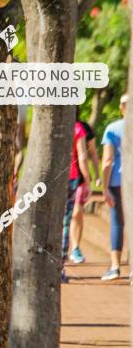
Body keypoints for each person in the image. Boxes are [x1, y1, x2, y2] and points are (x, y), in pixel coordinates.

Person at [69, 111, 101, 264]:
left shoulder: (84, 128)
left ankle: (75, 247)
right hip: (63, 178)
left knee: (77, 213)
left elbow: (92, 153)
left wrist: (96, 175)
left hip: (78, 179)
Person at [101, 93, 127, 281]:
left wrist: (104, 186)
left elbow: (108, 161)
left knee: (118, 222)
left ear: (121, 108)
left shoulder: (113, 129)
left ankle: (116, 267)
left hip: (118, 181)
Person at [62, 118, 90, 281]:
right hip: (71, 177)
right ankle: (60, 267)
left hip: (48, 179)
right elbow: (82, 156)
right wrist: (87, 181)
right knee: (65, 222)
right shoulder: (77, 127)